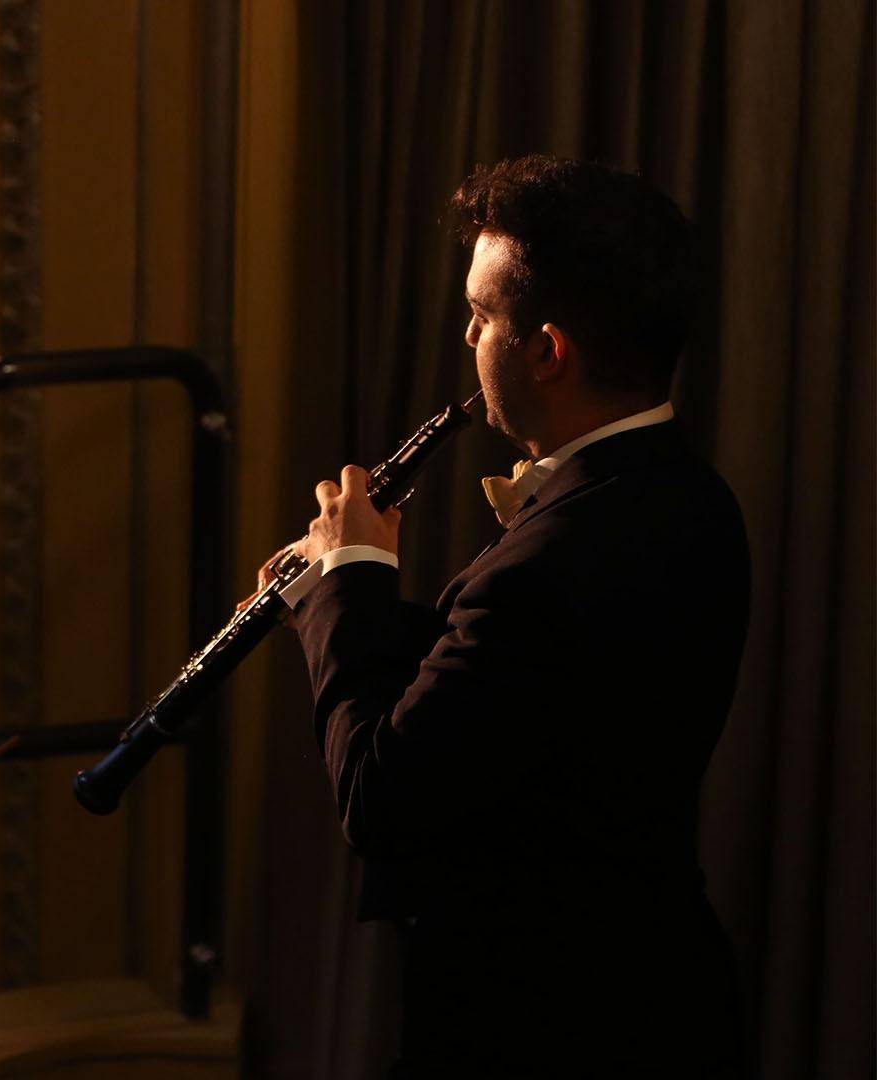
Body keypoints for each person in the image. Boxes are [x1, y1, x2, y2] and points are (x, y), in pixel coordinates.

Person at [280, 155, 748, 1076]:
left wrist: (356, 575)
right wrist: (331, 595)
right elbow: (543, 700)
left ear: (548, 350)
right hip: (657, 991)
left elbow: (382, 800)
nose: (467, 335)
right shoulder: (689, 496)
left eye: (484, 315)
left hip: (539, 1020)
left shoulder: (550, 564)